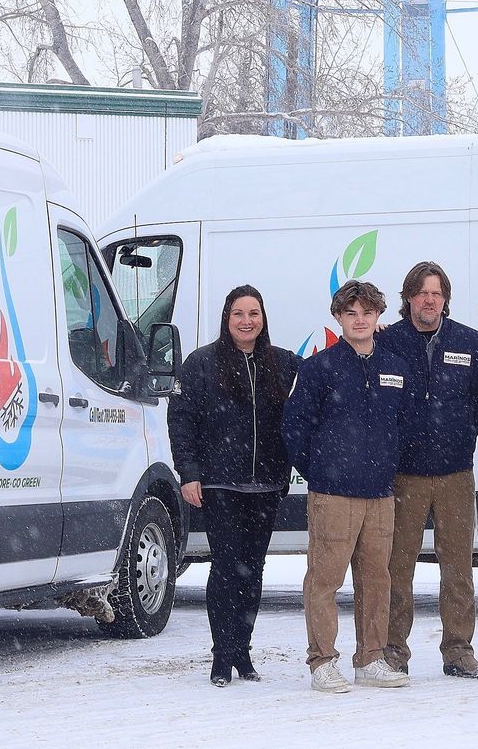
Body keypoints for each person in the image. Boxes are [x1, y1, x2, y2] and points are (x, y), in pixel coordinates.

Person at [280, 279, 410, 693]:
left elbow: (404, 425)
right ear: (338, 317)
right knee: (324, 580)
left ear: (378, 317)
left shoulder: (395, 368)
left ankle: (370, 658)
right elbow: (294, 426)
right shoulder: (319, 368)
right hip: (333, 494)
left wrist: (389, 464)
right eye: (351, 313)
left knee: (377, 580)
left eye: (367, 313)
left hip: (379, 494)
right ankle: (323, 661)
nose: (359, 320)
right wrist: (320, 472)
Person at [168, 285, 300, 686]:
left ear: (264, 318)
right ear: (227, 319)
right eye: (239, 314)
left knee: (253, 570)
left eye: (254, 313)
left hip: (265, 486)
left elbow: (329, 370)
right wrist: (189, 473)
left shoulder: (282, 364)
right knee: (226, 568)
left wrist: (371, 336)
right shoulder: (201, 363)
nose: (247, 321)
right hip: (220, 485)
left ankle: (243, 651)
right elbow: (182, 420)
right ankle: (221, 655)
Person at [377, 262, 478, 679]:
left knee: (458, 567)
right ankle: (392, 651)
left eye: (437, 293)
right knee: (397, 568)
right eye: (422, 293)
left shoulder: (470, 342)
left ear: (446, 298)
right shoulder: (386, 341)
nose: (429, 300)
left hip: (455, 473)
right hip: (402, 474)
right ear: (408, 297)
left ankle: (458, 651)